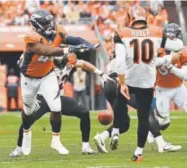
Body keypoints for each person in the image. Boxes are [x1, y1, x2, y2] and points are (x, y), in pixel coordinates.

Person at [20, 9, 96, 156]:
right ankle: (26, 132)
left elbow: (70, 38)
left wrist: (85, 43)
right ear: (36, 25)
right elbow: (47, 51)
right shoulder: (31, 38)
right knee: (28, 111)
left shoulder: (57, 31)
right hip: (29, 77)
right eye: (45, 23)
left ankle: (56, 141)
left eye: (49, 22)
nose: (50, 25)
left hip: (47, 74)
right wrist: (69, 49)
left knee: (56, 106)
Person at [9, 58, 112, 157]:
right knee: (27, 120)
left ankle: (85, 146)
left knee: (84, 112)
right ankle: (18, 148)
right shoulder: (45, 63)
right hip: (42, 98)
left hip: (57, 98)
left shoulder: (68, 62)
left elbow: (84, 64)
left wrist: (101, 73)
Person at [109, 5, 164, 161]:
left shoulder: (122, 33)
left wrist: (122, 82)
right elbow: (168, 49)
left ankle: (115, 130)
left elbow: (120, 63)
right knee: (143, 117)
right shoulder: (157, 31)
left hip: (130, 78)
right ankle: (139, 152)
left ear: (130, 18)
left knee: (119, 100)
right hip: (147, 81)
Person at [148, 23, 187, 152]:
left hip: (178, 87)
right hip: (162, 89)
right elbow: (151, 64)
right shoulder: (157, 50)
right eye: (169, 35)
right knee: (164, 122)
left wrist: (171, 67)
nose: (171, 37)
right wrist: (166, 60)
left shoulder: (182, 50)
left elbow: (185, 75)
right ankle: (151, 130)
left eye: (173, 35)